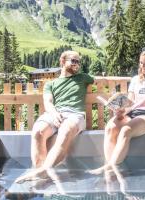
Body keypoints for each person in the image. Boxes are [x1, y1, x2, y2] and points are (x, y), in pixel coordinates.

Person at [89, 47, 145, 174]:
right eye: (141, 63)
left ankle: (110, 167)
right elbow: (130, 103)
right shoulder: (136, 79)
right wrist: (121, 111)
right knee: (110, 126)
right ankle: (113, 168)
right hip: (133, 113)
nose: (142, 66)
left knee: (126, 130)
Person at [16, 50, 94, 183]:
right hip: (54, 113)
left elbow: (104, 79)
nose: (77, 64)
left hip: (75, 114)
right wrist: (54, 113)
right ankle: (41, 173)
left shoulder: (83, 77)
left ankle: (43, 171)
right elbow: (48, 102)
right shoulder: (50, 84)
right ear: (62, 62)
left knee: (65, 130)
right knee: (38, 131)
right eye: (74, 61)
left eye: (78, 62)